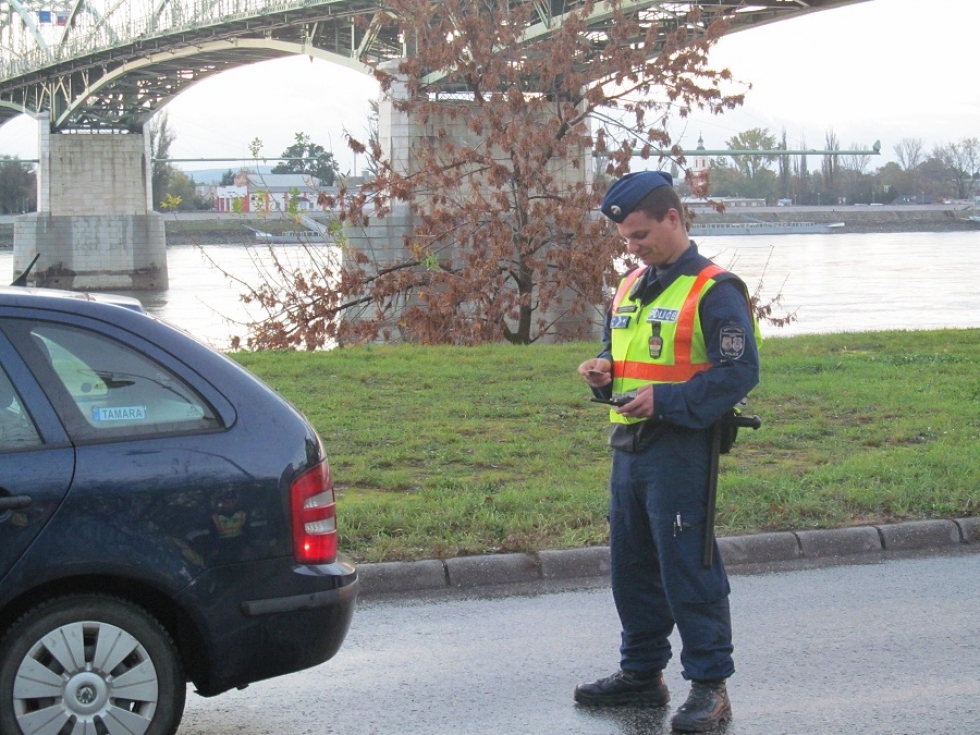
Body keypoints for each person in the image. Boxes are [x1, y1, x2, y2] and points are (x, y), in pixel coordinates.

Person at [575, 170, 761, 733]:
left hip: (682, 449)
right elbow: (621, 355)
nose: (631, 248)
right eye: (627, 239)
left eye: (639, 235)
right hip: (628, 447)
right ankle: (641, 673)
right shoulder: (631, 285)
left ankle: (710, 686)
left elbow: (739, 374)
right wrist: (602, 375)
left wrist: (667, 401)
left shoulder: (714, 288)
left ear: (673, 219)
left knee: (688, 567)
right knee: (631, 567)